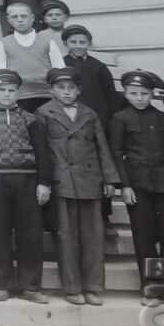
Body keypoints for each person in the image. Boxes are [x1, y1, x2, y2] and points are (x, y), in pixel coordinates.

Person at [35, 66, 121, 306]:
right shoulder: (43, 113)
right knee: (66, 237)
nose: (66, 92)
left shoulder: (89, 114)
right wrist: (45, 182)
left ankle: (92, 286)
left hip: (90, 181)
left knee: (93, 237)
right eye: (61, 88)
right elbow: (42, 151)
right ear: (52, 90)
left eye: (71, 88)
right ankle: (72, 288)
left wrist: (110, 179)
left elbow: (102, 147)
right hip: (62, 181)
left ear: (78, 90)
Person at [108, 70, 164, 307]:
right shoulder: (120, 119)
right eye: (134, 93)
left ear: (152, 94)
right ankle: (151, 288)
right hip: (138, 187)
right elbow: (117, 153)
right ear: (126, 94)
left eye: (144, 93)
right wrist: (125, 186)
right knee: (144, 239)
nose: (139, 98)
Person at [0, 69, 51, 304]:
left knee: (30, 234)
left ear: (18, 92)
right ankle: (0, 284)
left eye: (11, 90)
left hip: (27, 180)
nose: (7, 94)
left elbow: (42, 153)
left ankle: (30, 285)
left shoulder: (31, 119)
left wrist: (44, 182)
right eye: (2, 90)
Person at [60, 23, 124, 242]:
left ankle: (104, 218)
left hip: (95, 124)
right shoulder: (61, 65)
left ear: (89, 43)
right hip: (68, 124)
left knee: (99, 171)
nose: (78, 46)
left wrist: (108, 124)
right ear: (66, 44)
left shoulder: (99, 67)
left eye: (82, 42)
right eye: (73, 42)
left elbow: (111, 96)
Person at [1, 2, 66, 113]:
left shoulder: (47, 41)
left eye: (24, 16)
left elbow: (60, 70)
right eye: (14, 17)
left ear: (32, 18)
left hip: (46, 95)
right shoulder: (3, 43)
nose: (20, 20)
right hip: (18, 97)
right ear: (9, 20)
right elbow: (1, 72)